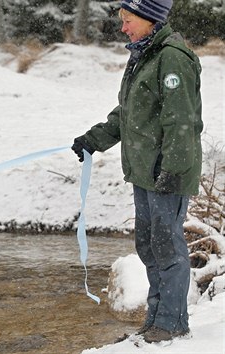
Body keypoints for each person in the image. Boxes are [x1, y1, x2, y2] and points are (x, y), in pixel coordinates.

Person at [71, 0, 202, 344]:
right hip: (145, 172)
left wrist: (172, 170)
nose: (123, 27)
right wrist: (93, 139)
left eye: (128, 20)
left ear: (149, 19)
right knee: (148, 244)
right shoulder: (143, 54)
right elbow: (129, 112)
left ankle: (172, 323)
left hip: (167, 172)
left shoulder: (172, 57)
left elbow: (181, 121)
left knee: (167, 246)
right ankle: (156, 318)